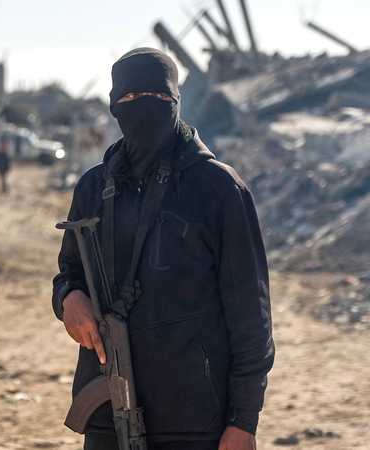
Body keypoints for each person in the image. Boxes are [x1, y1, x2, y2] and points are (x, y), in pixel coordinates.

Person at [52, 48, 274, 450]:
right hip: (108, 407)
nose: (142, 107)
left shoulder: (218, 189)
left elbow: (251, 315)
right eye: (130, 98)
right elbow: (69, 272)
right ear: (114, 106)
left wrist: (244, 420)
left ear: (175, 100)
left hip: (195, 418)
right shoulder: (93, 188)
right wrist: (69, 298)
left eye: (156, 96)